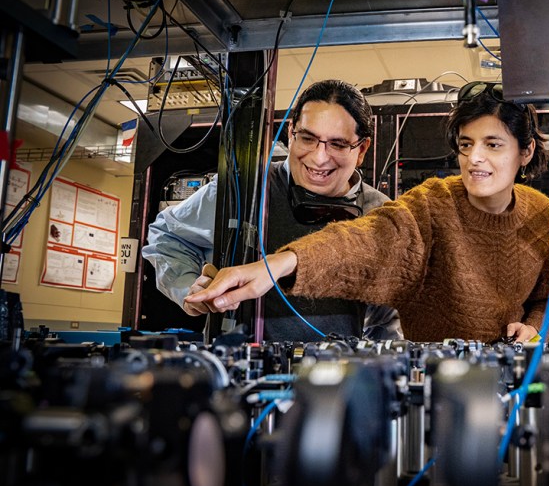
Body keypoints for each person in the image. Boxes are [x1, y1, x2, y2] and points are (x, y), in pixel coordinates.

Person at [186, 81, 549, 343]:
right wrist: (279, 264)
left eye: (493, 144)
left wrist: (534, 330)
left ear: (525, 152)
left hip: (512, 385)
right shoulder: (433, 204)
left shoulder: (543, 216)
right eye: (465, 144)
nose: (475, 158)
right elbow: (365, 241)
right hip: (432, 386)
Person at [141, 79, 400, 341]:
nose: (320, 157)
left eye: (338, 144)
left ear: (362, 149)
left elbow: (388, 316)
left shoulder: (380, 213)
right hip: (244, 371)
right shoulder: (246, 188)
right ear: (290, 132)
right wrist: (188, 287)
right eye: (308, 138)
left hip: (338, 373)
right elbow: (166, 237)